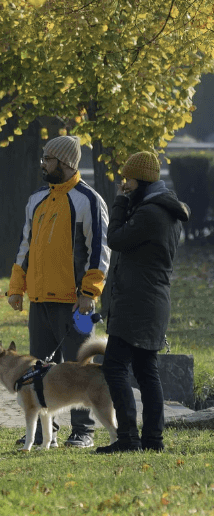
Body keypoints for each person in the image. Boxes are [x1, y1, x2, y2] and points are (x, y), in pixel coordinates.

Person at [6, 135, 111, 448]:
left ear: (66, 163)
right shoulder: (36, 199)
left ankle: (83, 432)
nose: (43, 164)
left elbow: (100, 250)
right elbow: (26, 246)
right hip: (39, 301)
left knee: (81, 371)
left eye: (48, 159)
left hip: (75, 304)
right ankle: (39, 434)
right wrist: (16, 287)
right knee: (38, 370)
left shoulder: (89, 200)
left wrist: (89, 293)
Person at [96, 152, 190, 454]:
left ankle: (128, 438)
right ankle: (152, 440)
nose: (125, 184)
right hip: (150, 301)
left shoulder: (151, 214)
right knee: (146, 369)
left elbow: (116, 238)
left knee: (114, 366)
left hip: (138, 302)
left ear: (141, 180)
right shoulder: (161, 209)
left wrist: (120, 203)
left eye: (129, 179)